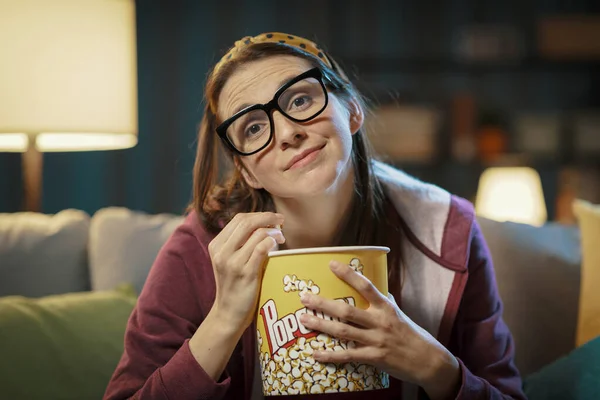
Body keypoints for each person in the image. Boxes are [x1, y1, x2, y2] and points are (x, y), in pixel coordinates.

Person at [104, 32, 526, 400]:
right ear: (247, 170)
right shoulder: (202, 248)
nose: (287, 132)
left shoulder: (445, 229)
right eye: (253, 127)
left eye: (300, 99)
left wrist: (434, 367)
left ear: (353, 110)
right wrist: (225, 318)